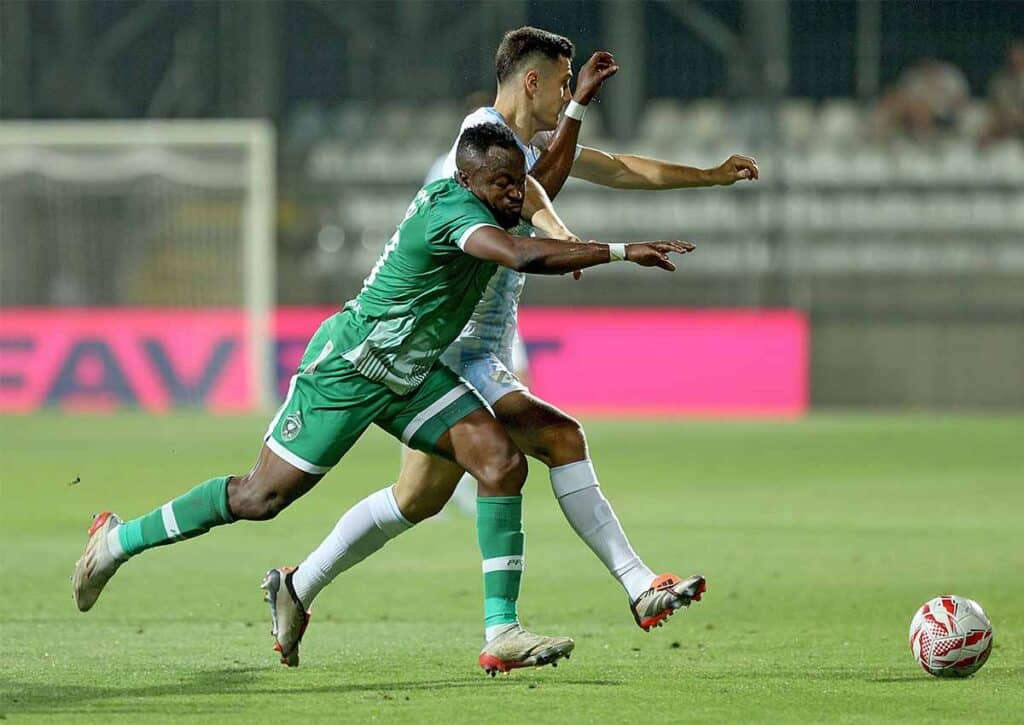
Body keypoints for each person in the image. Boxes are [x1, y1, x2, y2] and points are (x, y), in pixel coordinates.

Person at [71, 122, 695, 671]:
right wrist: (618, 250)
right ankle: (118, 541)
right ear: (469, 181)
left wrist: (578, 108)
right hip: (351, 367)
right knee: (260, 498)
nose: (518, 195)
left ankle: (501, 631)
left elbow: (541, 183)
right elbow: (518, 254)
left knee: (500, 464)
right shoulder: (455, 217)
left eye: (517, 183)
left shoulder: (494, 195)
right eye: (505, 185)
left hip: (412, 372)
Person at [271, 27, 757, 674]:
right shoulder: (481, 143)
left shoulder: (524, 144)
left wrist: (707, 177)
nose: (565, 94)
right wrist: (567, 236)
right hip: (450, 347)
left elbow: (613, 167)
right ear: (532, 81)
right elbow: (529, 199)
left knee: (416, 498)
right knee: (557, 439)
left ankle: (296, 586)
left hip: (477, 346)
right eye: (561, 82)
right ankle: (625, 589)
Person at [983, 39, 1024, 144]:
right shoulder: (999, 81)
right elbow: (996, 105)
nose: (1016, 59)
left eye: (1019, 55)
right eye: (1013, 55)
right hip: (1006, 123)